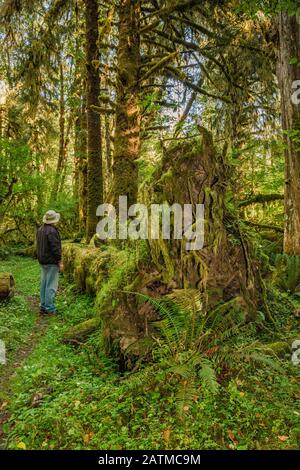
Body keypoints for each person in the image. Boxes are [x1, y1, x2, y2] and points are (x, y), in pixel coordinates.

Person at [36, 210, 64, 314]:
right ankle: (49, 307)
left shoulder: (40, 229)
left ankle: (43, 305)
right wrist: (60, 261)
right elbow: (55, 248)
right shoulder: (52, 231)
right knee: (51, 285)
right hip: (51, 261)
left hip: (42, 260)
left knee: (44, 283)